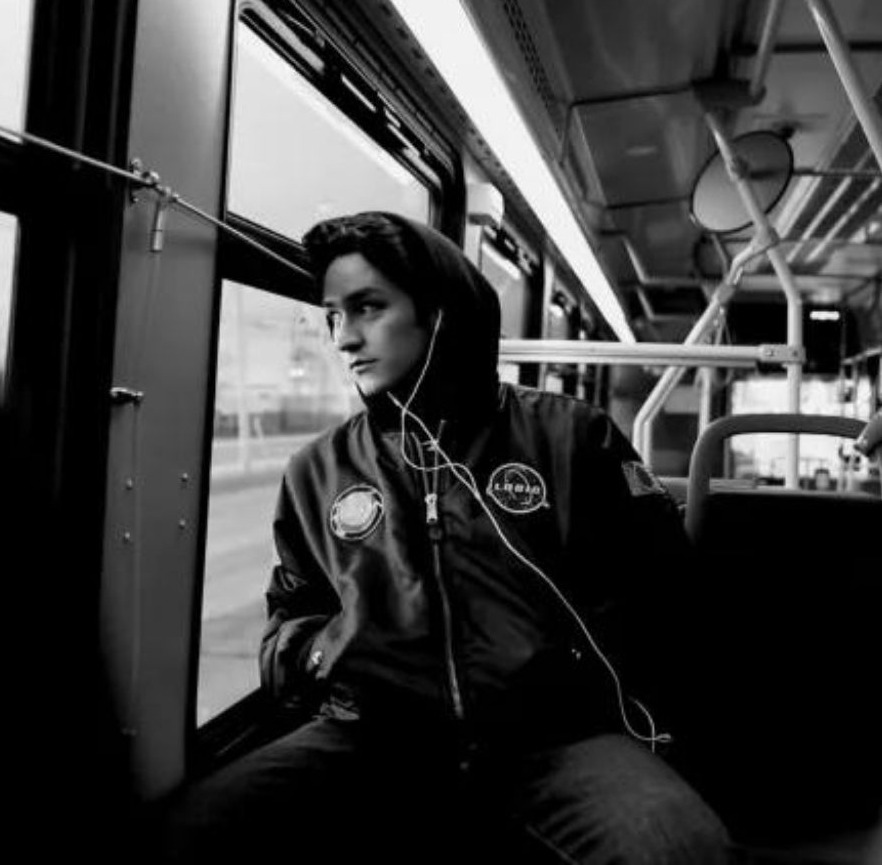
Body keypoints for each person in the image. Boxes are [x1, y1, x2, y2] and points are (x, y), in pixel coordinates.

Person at [165, 212, 734, 863]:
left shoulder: (572, 436)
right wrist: (321, 653)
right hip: (371, 739)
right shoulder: (316, 472)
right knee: (195, 832)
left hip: (556, 740)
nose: (343, 338)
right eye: (330, 316)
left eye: (368, 308)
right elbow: (290, 620)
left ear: (439, 313)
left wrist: (593, 691)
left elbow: (665, 594)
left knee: (681, 849)